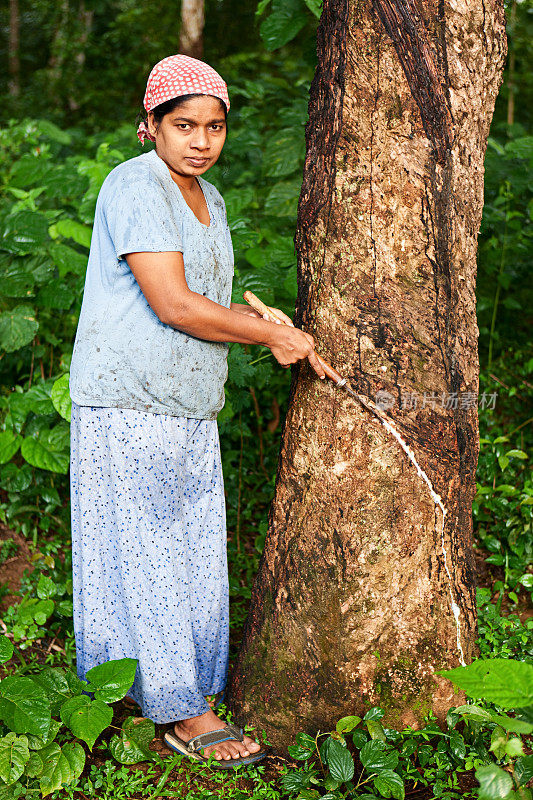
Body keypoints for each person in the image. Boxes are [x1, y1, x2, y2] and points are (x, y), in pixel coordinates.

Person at [69, 54, 326, 770]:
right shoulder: (134, 184)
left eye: (214, 126)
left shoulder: (207, 200)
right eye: (183, 125)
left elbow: (209, 299)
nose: (201, 140)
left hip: (186, 402)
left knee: (188, 554)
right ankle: (182, 712)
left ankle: (160, 688)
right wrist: (271, 335)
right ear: (148, 125)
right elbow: (174, 304)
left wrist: (261, 316)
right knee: (147, 553)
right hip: (127, 398)